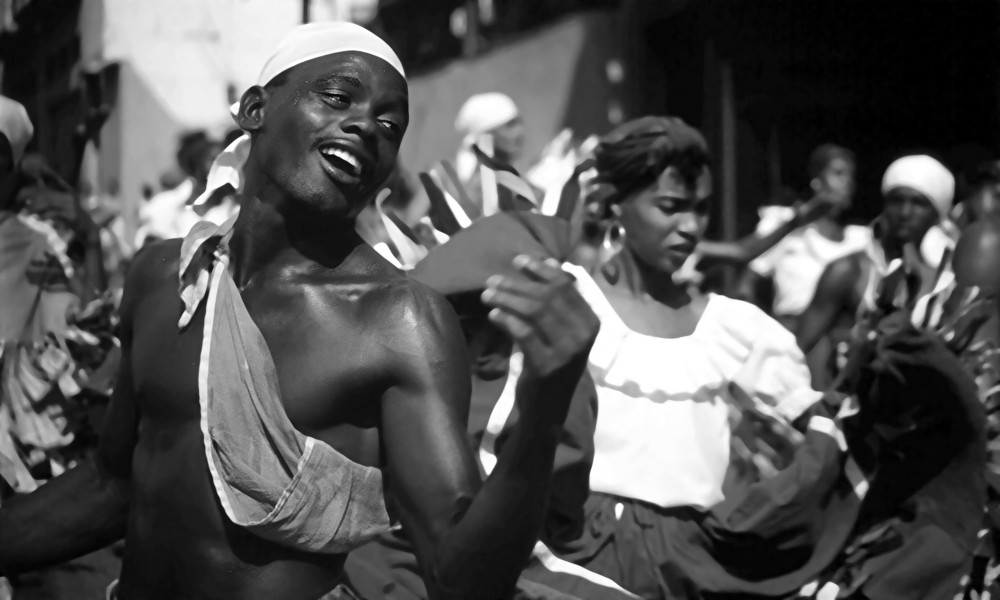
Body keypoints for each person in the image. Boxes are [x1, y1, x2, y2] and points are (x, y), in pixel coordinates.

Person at [0, 22, 600, 600]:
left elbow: (460, 577)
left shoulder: (398, 321)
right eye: (338, 97)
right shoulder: (165, 280)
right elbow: (116, 481)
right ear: (256, 109)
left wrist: (542, 411)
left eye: (390, 125)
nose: (366, 125)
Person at [414, 116, 820, 600]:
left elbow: (816, 430)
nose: (689, 227)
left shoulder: (734, 327)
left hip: (696, 565)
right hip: (581, 557)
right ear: (614, 204)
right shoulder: (569, 301)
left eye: (701, 209)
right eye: (670, 207)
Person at [796, 154, 957, 384]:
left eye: (918, 203)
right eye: (896, 200)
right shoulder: (850, 270)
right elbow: (795, 349)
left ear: (937, 213)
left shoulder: (949, 280)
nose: (905, 213)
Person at [739, 144, 868, 332]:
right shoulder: (785, 228)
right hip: (789, 335)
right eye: (839, 173)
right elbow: (745, 284)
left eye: (851, 176)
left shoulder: (859, 238)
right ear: (817, 180)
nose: (847, 182)